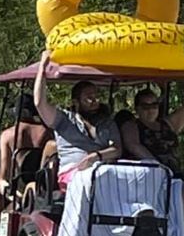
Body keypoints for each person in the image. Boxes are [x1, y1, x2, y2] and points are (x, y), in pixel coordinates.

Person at [33, 51, 127, 186]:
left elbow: (117, 149)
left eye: (96, 96)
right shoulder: (63, 119)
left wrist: (97, 156)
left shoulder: (106, 122)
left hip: (102, 171)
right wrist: (42, 67)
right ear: (76, 102)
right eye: (89, 97)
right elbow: (39, 103)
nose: (95, 101)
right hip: (72, 175)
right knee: (92, 179)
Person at [0, 92, 51, 222]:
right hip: (42, 182)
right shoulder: (48, 132)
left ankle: (1, 221)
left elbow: (5, 172)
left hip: (21, 185)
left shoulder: (8, 135)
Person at [122, 82, 184, 176]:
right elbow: (134, 146)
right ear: (137, 109)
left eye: (154, 105)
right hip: (148, 175)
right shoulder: (131, 126)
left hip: (174, 174)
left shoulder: (168, 124)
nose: (151, 110)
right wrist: (158, 166)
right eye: (145, 107)